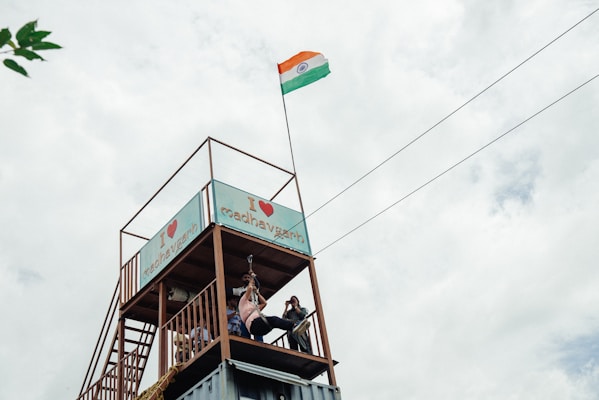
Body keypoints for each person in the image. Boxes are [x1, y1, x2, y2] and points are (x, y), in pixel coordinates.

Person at [238, 276, 310, 338]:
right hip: (254, 324)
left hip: (260, 327)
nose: (251, 295)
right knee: (274, 319)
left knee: (275, 322)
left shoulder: (253, 306)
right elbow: (249, 288)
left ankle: (293, 327)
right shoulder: (242, 302)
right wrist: (251, 280)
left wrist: (258, 293)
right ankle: (293, 326)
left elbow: (264, 303)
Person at [229, 273, 263, 342]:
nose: (247, 279)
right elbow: (228, 290)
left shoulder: (254, 287)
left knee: (257, 329)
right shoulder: (240, 290)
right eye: (245, 277)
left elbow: (257, 284)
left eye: (248, 277)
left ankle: (260, 343)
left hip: (254, 311)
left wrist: (253, 276)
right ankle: (247, 343)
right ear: (242, 279)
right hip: (244, 312)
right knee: (245, 332)